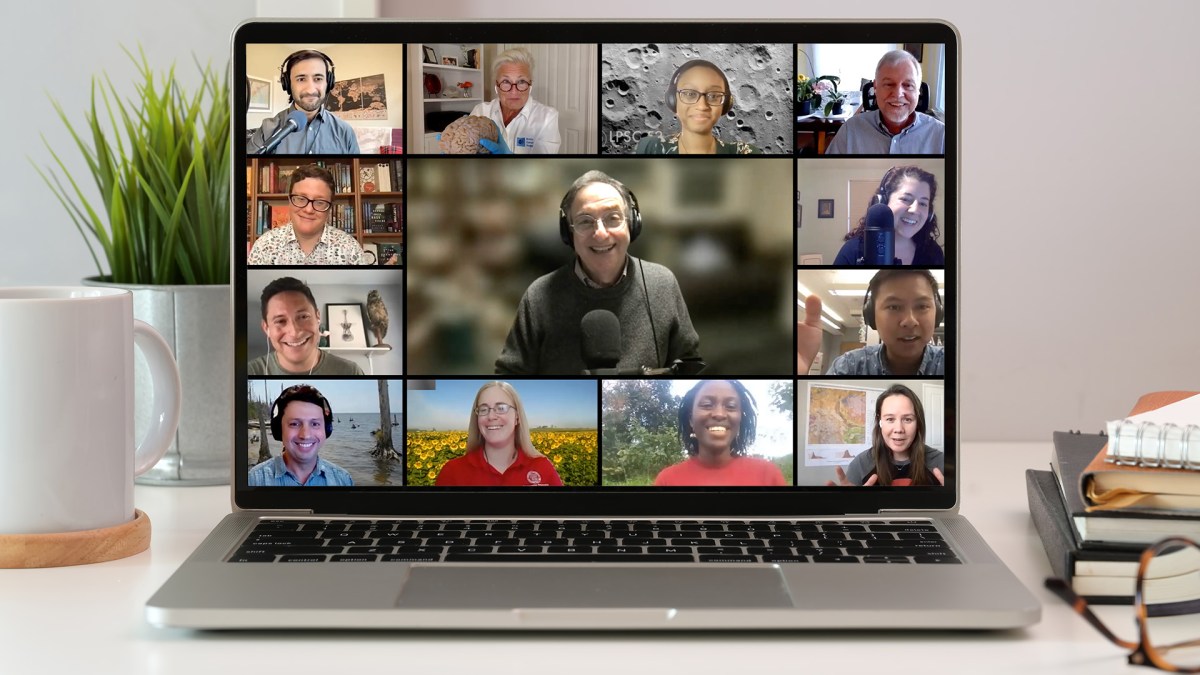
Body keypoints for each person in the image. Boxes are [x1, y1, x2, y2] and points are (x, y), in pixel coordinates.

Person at [494, 170, 702, 374]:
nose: (600, 233)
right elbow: (509, 374)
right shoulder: (539, 295)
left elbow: (690, 364)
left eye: (613, 218)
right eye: (585, 221)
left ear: (632, 224)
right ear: (568, 233)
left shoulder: (662, 284)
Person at [796, 269, 944, 376]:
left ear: (937, 312)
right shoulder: (849, 367)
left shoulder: (958, 363)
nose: (910, 321)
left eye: (922, 306)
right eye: (894, 307)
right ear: (871, 315)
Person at [655, 380, 787, 486]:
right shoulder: (667, 480)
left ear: (740, 419)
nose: (719, 414)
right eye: (707, 405)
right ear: (691, 420)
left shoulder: (768, 475)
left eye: (730, 406)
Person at [434, 382, 563, 486]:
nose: (491, 416)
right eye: (483, 409)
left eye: (501, 408)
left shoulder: (543, 466)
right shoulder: (452, 471)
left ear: (517, 417)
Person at [825, 50, 944, 155]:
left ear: (918, 90)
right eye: (889, 84)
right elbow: (829, 177)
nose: (898, 94)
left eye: (908, 85)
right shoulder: (850, 131)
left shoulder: (942, 136)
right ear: (875, 87)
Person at [827, 384, 944, 486]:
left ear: (918, 423)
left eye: (907, 419)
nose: (899, 429)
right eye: (890, 419)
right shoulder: (861, 464)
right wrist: (849, 503)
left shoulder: (940, 462)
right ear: (880, 421)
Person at [246, 49, 360, 155]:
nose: (310, 89)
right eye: (301, 79)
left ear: (328, 82)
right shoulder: (267, 129)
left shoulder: (345, 131)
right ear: (288, 84)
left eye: (318, 79)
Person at [636, 59, 761, 155]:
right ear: (673, 100)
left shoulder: (746, 153)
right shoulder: (649, 148)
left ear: (726, 103)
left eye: (713, 96)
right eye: (690, 94)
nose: (702, 106)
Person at [248, 164, 365, 265]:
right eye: (301, 199)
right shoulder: (264, 246)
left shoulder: (350, 248)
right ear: (290, 200)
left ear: (329, 208)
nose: (309, 210)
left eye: (319, 202)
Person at [248, 276, 365, 376]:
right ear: (266, 328)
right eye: (280, 321)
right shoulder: (249, 372)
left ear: (317, 317)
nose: (294, 332)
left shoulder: (350, 372)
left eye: (303, 317)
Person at [833, 166, 944, 266]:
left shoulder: (933, 253)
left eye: (923, 203)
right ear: (884, 202)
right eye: (905, 199)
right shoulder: (853, 250)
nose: (915, 210)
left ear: (930, 213)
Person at [248, 384, 354, 486]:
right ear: (279, 430)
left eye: (315, 424)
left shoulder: (343, 480)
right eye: (294, 424)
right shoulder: (254, 480)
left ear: (326, 429)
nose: (305, 435)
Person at [468, 47, 561, 154]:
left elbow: (545, 167)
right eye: (506, 81)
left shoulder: (547, 118)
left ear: (530, 85)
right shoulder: (481, 111)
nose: (514, 91)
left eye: (521, 81)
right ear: (496, 86)